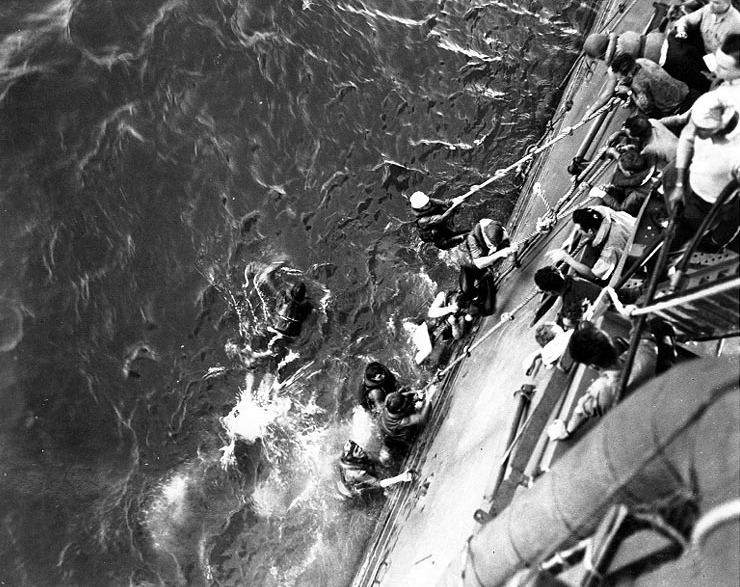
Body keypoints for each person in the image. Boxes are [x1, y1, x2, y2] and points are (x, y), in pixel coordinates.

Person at [547, 319, 658, 440]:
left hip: (634, 429)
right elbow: (644, 334)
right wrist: (634, 319)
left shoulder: (599, 391)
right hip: (652, 401)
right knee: (656, 326)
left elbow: (580, 412)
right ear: (609, 343)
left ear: (592, 366)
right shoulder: (645, 353)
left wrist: (566, 432)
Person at [668, 91, 740, 252]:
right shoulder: (704, 117)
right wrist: (679, 185)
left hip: (722, 200)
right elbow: (686, 141)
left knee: (729, 220)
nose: (695, 131)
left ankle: (715, 242)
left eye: (702, 129)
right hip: (695, 191)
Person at [582, 29, 665, 119]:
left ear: (601, 57)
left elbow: (608, 93)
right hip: (658, 39)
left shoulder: (615, 63)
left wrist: (591, 110)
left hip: (658, 61)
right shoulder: (623, 36)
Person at [546, 206, 635, 284]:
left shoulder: (610, 249)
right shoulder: (609, 214)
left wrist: (566, 258)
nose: (579, 232)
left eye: (580, 230)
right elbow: (592, 209)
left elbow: (593, 274)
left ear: (590, 231)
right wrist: (571, 237)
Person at [609, 53, 692, 117]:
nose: (619, 80)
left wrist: (629, 91)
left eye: (620, 78)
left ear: (629, 74)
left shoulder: (639, 83)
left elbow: (646, 107)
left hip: (674, 105)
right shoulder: (641, 61)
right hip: (682, 89)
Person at [336, 440, 416, 499]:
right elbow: (378, 483)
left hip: (354, 467)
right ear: (352, 457)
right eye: (356, 450)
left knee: (383, 459)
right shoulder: (356, 473)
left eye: (358, 446)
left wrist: (383, 459)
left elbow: (373, 459)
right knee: (374, 490)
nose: (360, 449)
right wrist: (400, 478)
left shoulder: (357, 456)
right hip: (351, 485)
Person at [673, 0, 740, 56]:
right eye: (710, 1)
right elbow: (686, 19)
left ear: (728, 3)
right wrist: (681, 31)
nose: (711, 5)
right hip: (703, 52)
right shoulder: (707, 9)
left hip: (719, 62)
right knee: (673, 36)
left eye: (716, 3)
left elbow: (733, 58)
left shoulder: (736, 23)